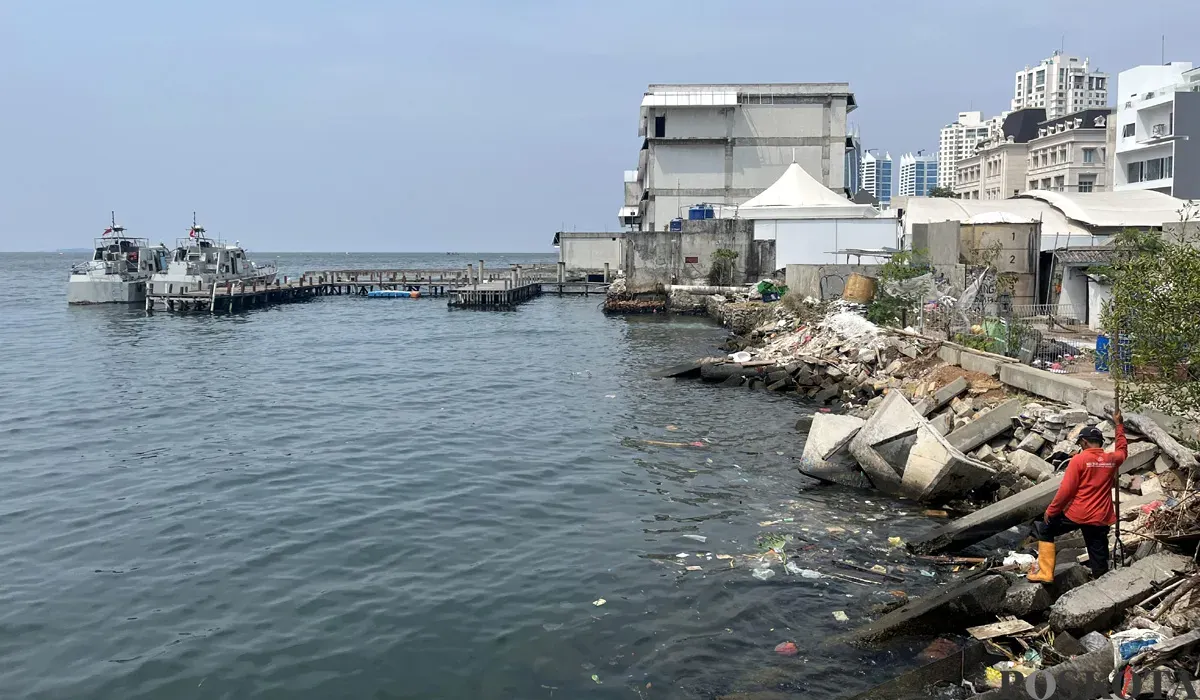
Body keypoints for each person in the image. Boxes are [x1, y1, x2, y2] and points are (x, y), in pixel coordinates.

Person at [1028, 411, 1126, 583]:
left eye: (1080, 443)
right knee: (1098, 555)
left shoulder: (1079, 460)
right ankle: (1101, 584)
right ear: (1100, 442)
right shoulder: (1112, 459)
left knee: (1045, 529)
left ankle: (1045, 573)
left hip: (1077, 514)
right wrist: (1119, 426)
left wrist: (1051, 511)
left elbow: (1067, 491)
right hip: (1100, 516)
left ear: (1084, 441)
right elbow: (1122, 449)